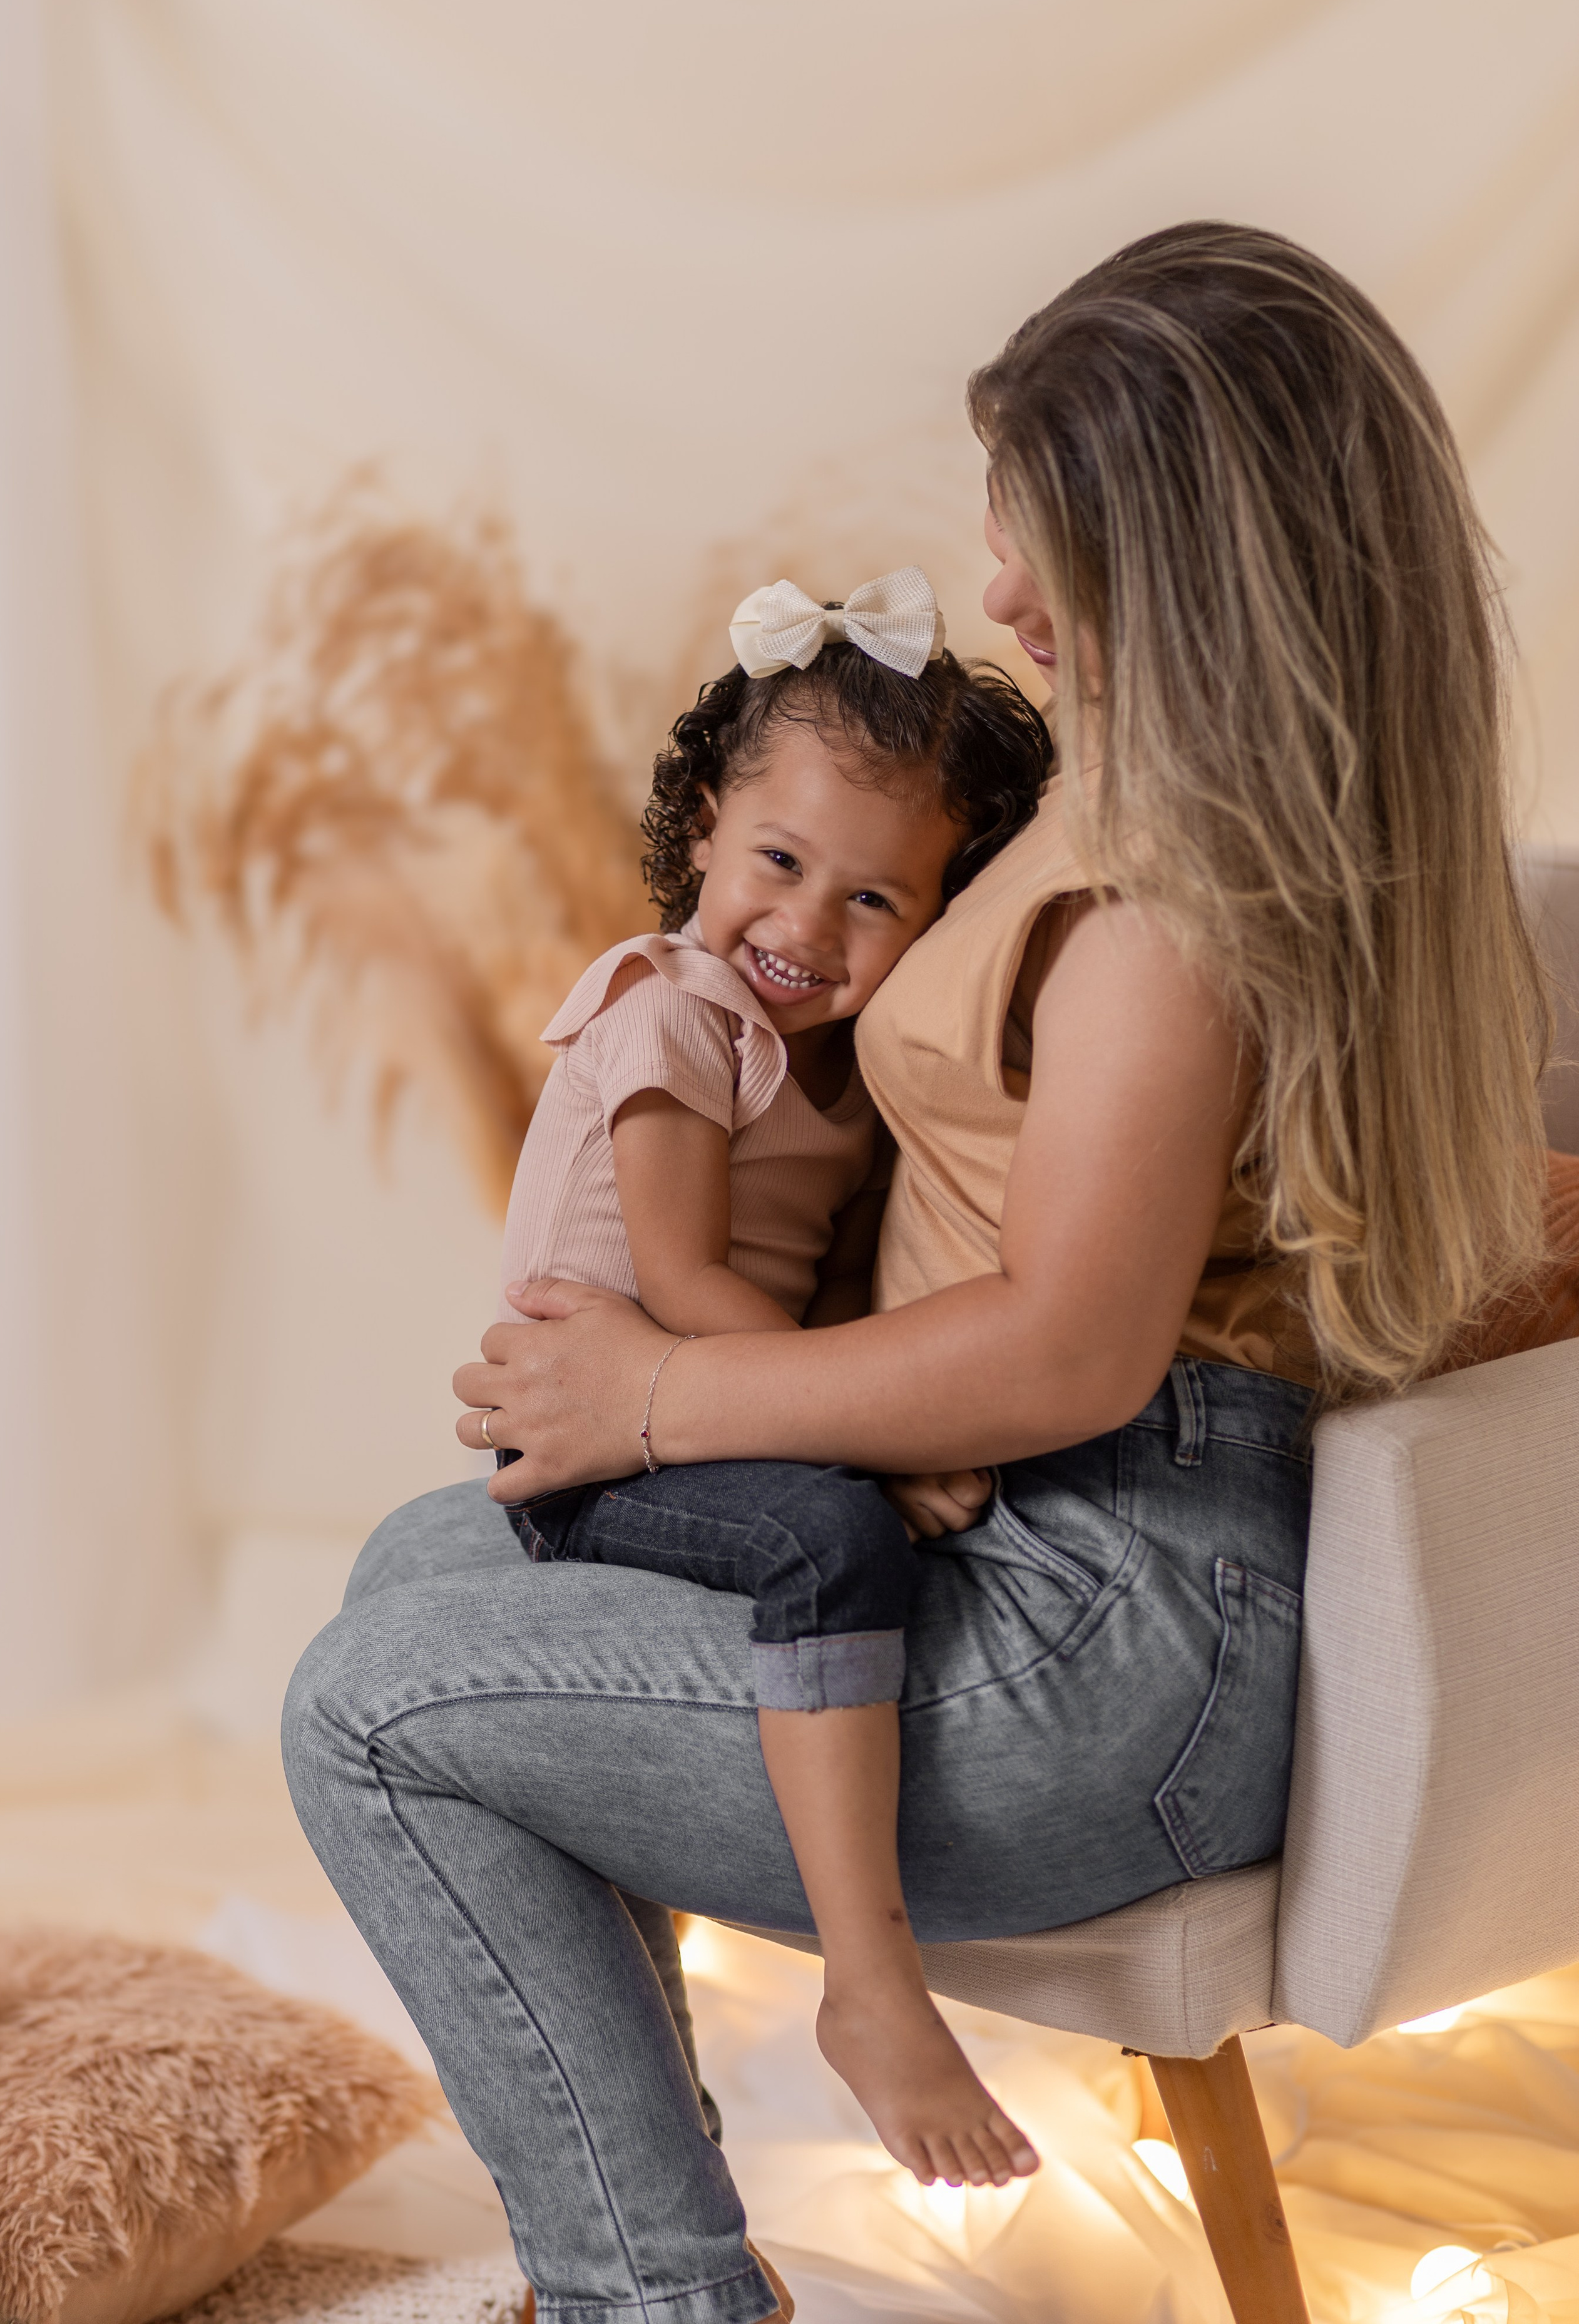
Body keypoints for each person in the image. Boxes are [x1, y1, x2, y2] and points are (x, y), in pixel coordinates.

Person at [284, 223, 1551, 2324]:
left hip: (1109, 1632)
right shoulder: (1121, 803)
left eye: (1045, 535)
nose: (1004, 594)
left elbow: (1071, 1345)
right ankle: (648, 2239)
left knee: (370, 1710)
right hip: (1047, 1558)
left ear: (1184, 553)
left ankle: (653, 2298)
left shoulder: (1172, 905)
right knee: (426, 1582)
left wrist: (662, 1398)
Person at [487, 566, 1049, 2187]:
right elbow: (675, 1285)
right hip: (590, 1449)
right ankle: (870, 1988)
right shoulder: (671, 1011)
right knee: (832, 1539)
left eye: (875, 901)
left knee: (831, 1518)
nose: (805, 929)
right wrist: (881, 1441)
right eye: (780, 864)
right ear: (705, 835)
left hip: (708, 1426)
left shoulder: (846, 1067)